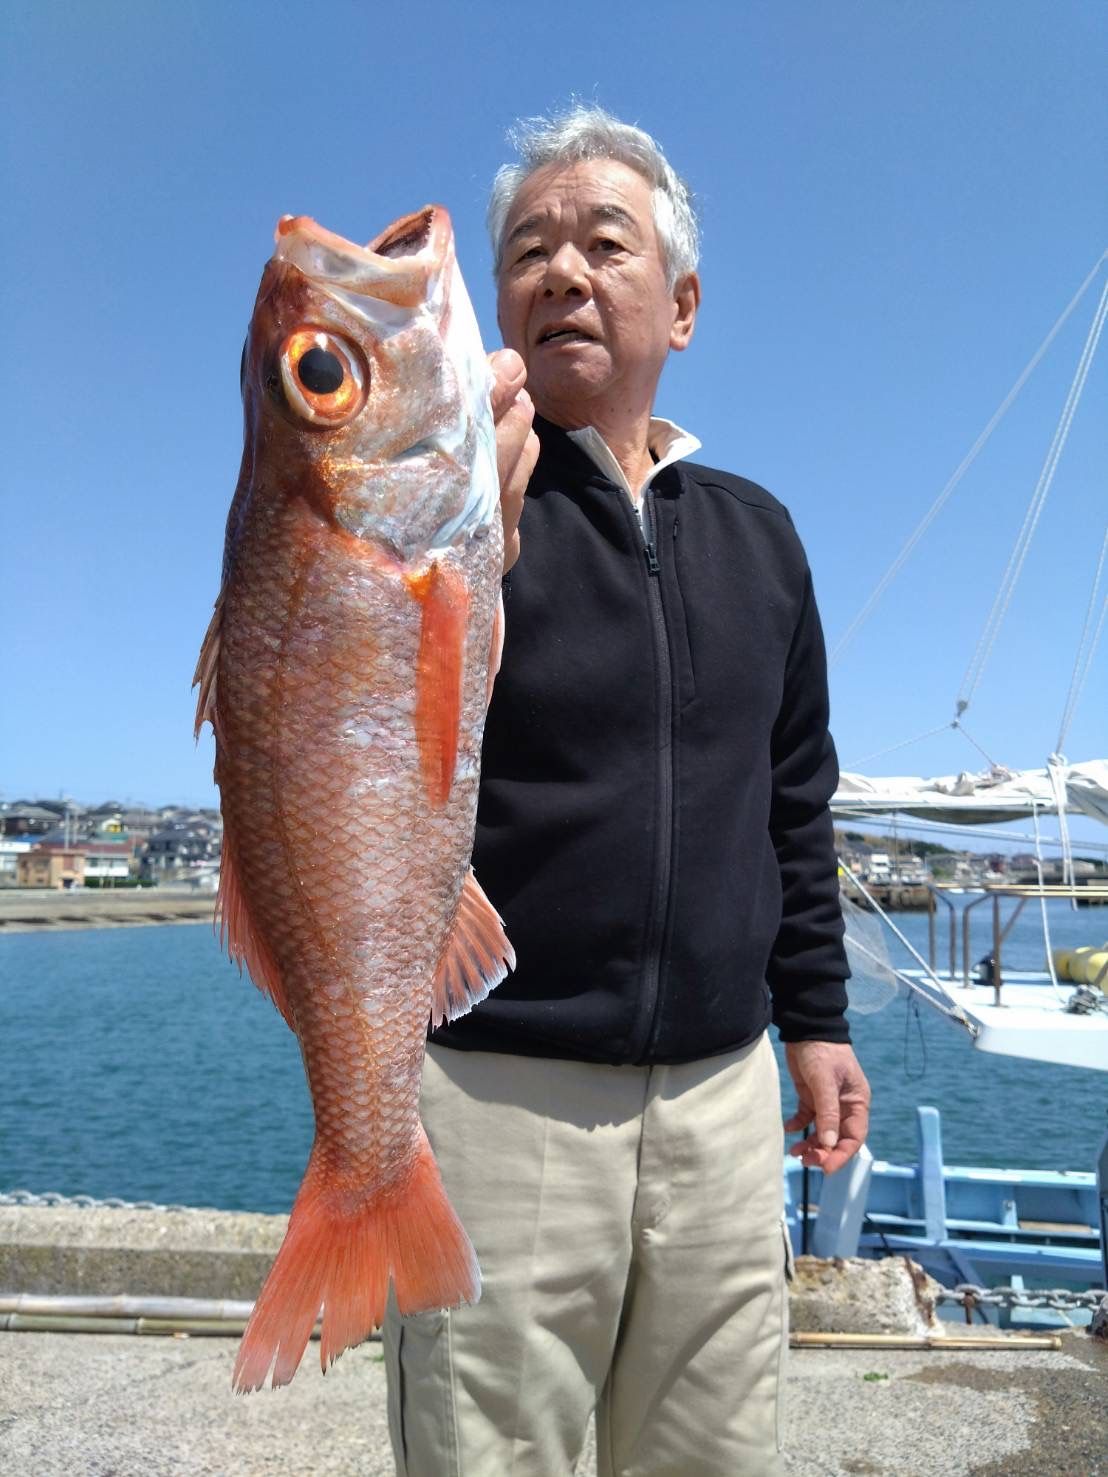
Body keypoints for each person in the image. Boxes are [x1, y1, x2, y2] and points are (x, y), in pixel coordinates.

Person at [383, 104, 870, 1477]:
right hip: (496, 1092)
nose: (562, 273)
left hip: (723, 1103)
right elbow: (356, 735)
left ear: (684, 306)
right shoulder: (438, 506)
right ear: (499, 311)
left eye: (605, 243)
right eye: (528, 252)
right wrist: (457, 549)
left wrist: (817, 1021)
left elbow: (793, 796)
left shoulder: (760, 536)